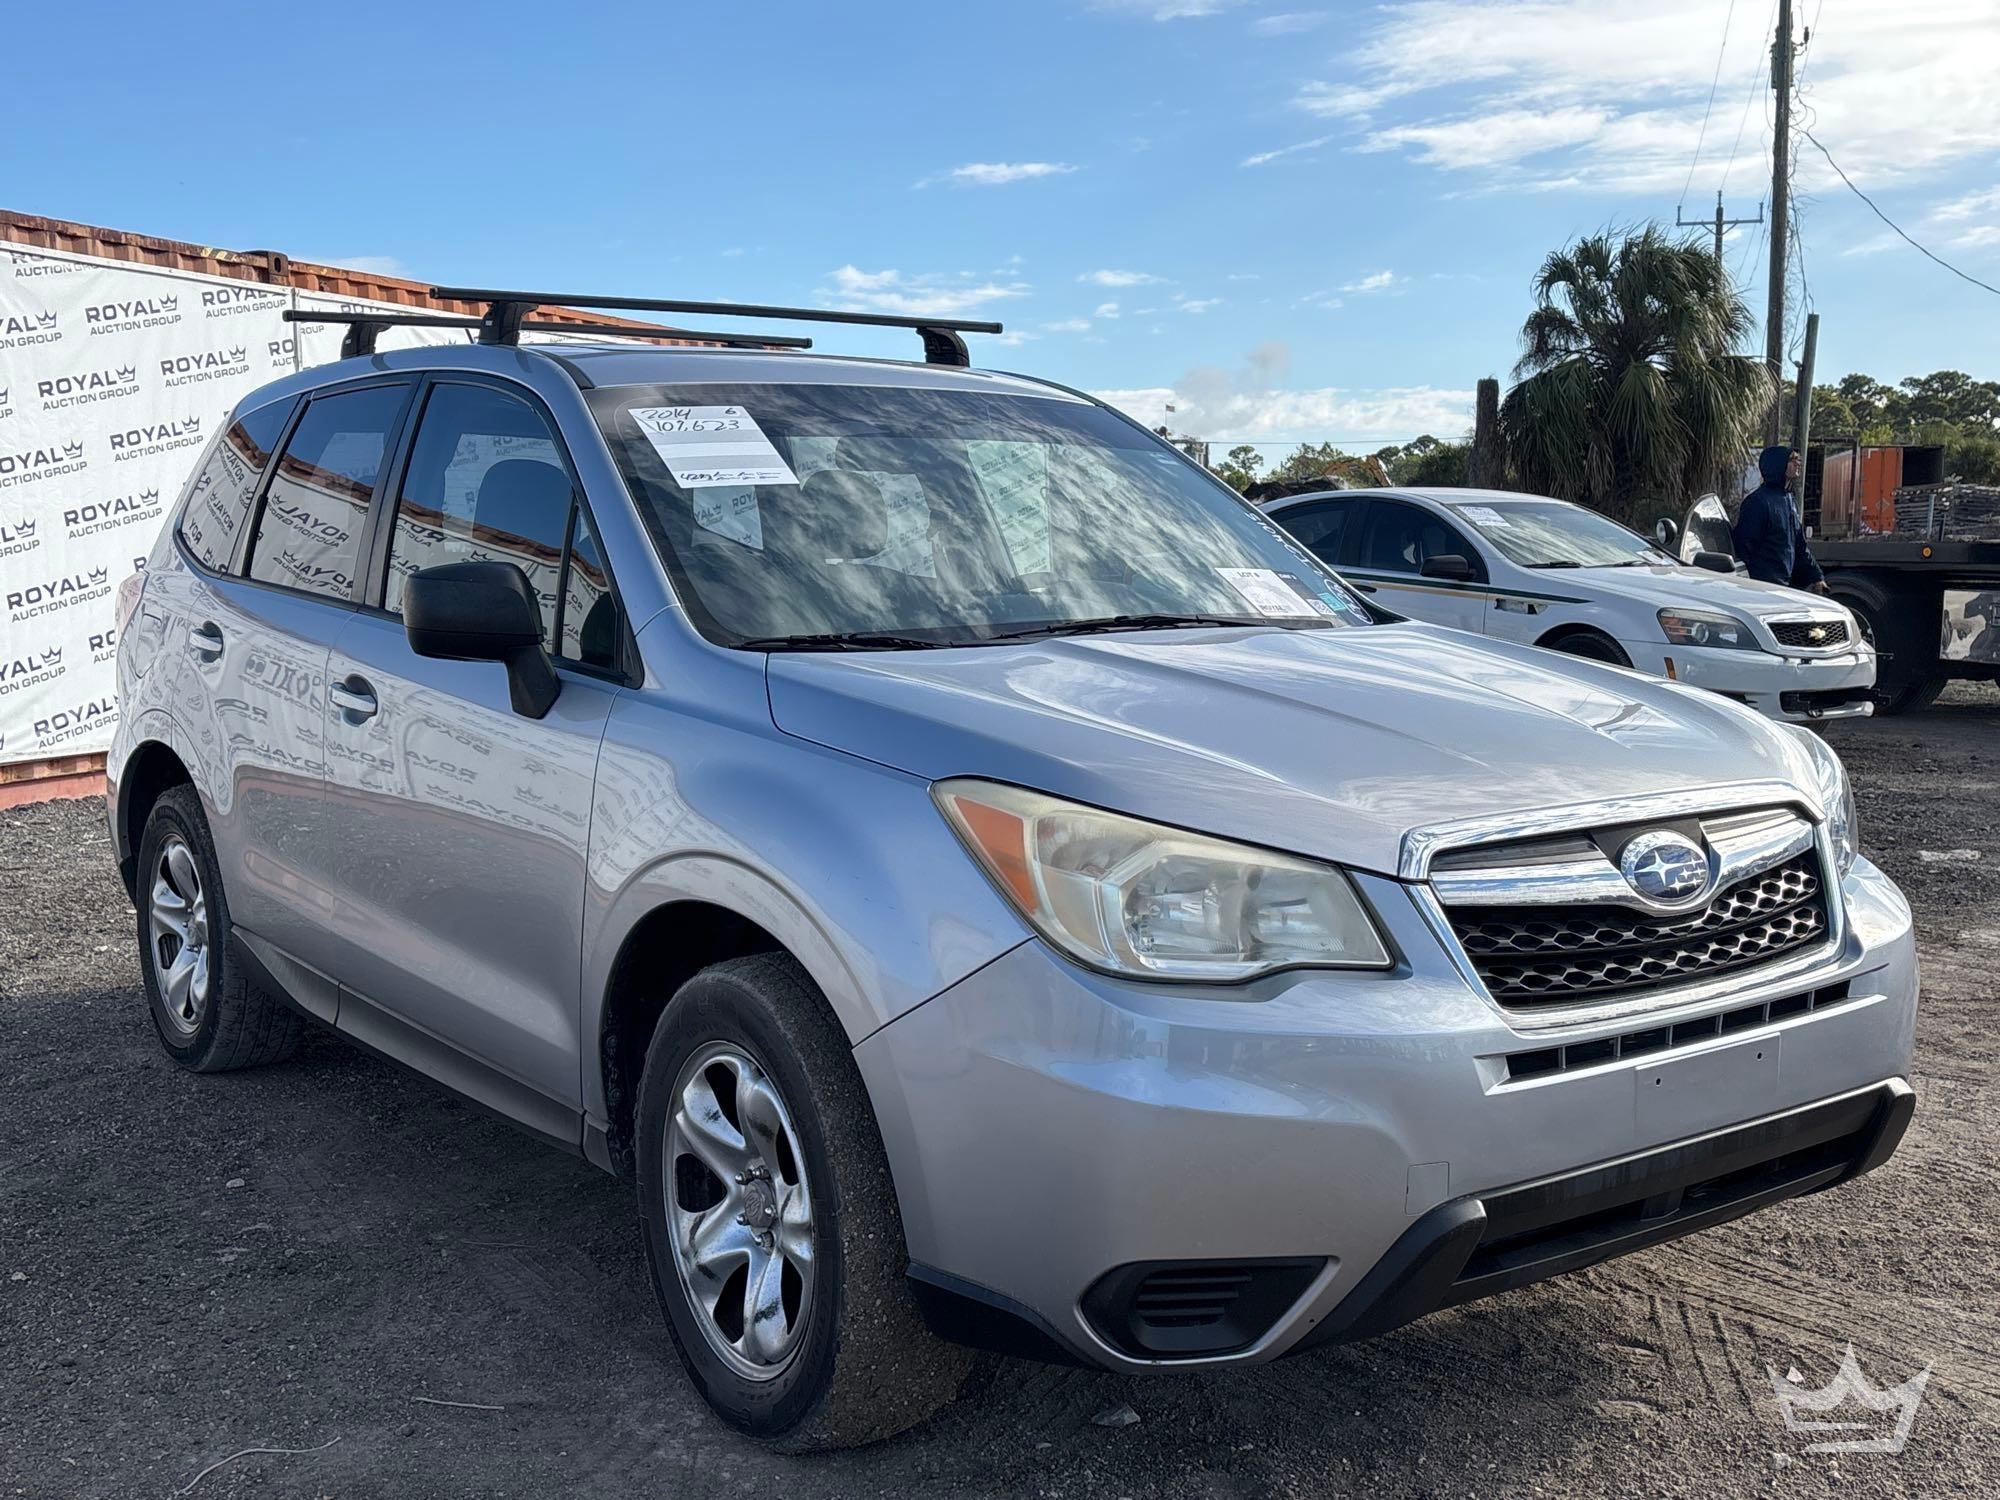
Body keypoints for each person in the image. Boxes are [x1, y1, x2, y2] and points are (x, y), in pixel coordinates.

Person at [1733, 445, 1829, 593]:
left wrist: (1817, 577)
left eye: (1798, 459)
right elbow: (1744, 547)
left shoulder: (1788, 500)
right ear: (1777, 464)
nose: (1798, 463)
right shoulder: (1757, 502)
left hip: (1782, 587)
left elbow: (1799, 545)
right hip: (1762, 589)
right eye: (1792, 460)